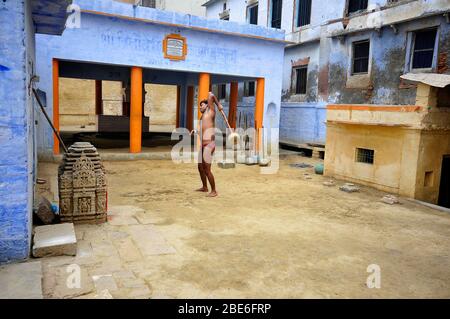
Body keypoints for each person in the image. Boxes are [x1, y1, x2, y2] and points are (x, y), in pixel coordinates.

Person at [192, 92, 223, 197]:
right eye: (200, 105)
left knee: (206, 168)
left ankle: (214, 191)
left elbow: (211, 94)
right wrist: (196, 132)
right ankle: (205, 187)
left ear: (208, 105)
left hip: (210, 144)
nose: (200, 107)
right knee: (200, 166)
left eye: (202, 105)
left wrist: (218, 104)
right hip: (203, 145)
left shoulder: (211, 112)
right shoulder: (202, 118)